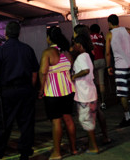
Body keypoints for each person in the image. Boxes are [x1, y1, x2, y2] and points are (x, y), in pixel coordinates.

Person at [0, 21, 39, 160]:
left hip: (8, 92)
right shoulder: (28, 49)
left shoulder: (0, 51)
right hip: (25, 90)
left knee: (3, 124)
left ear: (5, 33)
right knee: (26, 123)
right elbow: (34, 74)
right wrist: (30, 88)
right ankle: (25, 152)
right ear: (19, 33)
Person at [39, 26, 78, 160]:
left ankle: (57, 152)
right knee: (68, 119)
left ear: (49, 38)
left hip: (53, 92)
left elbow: (43, 72)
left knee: (56, 122)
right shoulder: (67, 53)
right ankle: (73, 149)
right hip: (68, 90)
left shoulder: (48, 52)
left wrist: (41, 89)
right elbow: (70, 69)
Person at [71, 34, 100, 154]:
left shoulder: (81, 57)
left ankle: (94, 147)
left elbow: (86, 70)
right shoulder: (87, 55)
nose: (73, 46)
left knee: (86, 121)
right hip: (91, 92)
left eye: (75, 44)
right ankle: (91, 144)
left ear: (79, 45)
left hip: (85, 94)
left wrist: (74, 76)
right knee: (90, 120)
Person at [89, 24, 108, 109]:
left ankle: (94, 101)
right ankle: (103, 102)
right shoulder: (101, 36)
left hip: (93, 61)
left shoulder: (89, 37)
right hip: (102, 60)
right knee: (101, 83)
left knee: (92, 82)